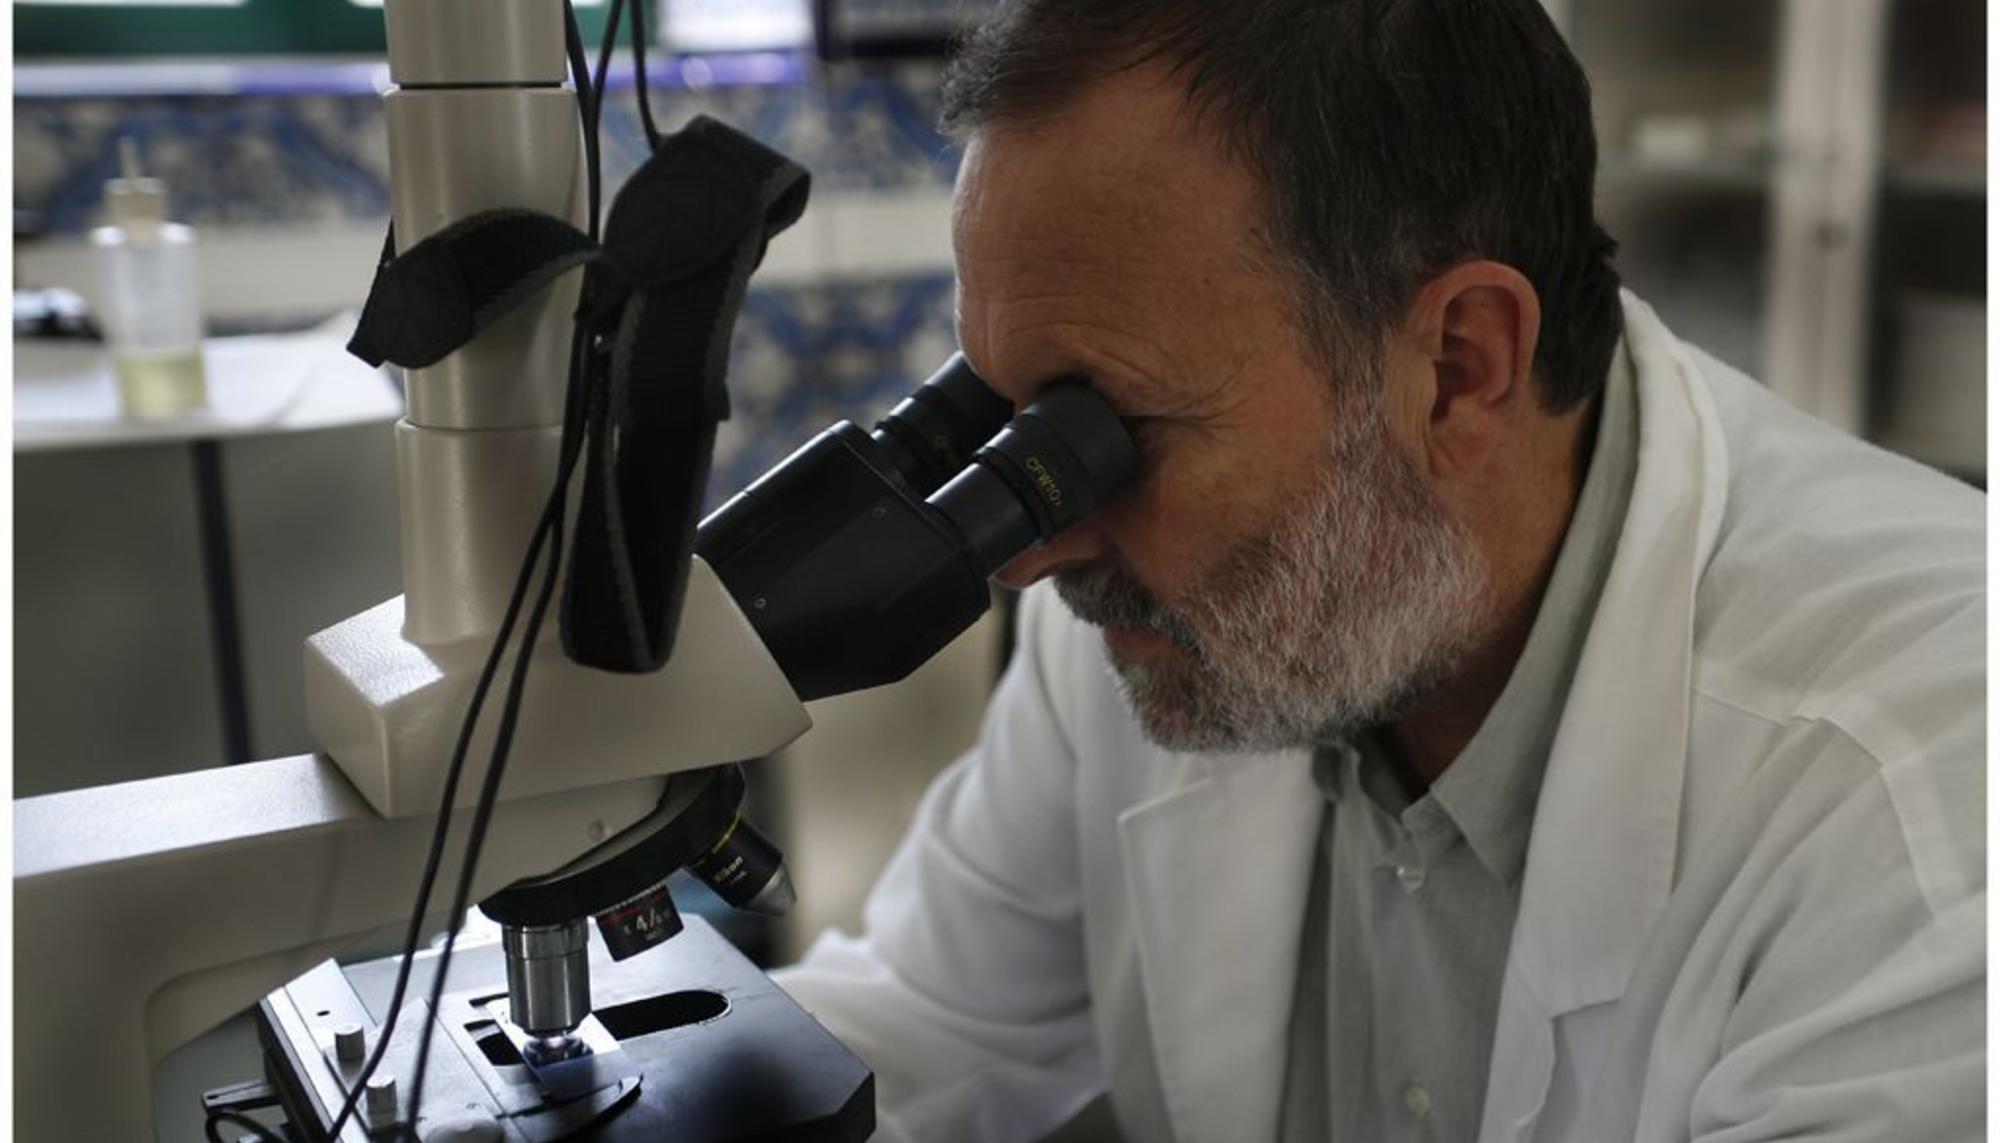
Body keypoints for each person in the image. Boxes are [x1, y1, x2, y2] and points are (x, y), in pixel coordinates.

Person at [772, 1, 1986, 1140]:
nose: (1034, 553)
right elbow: (919, 1032)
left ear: (1456, 366)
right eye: (1006, 414)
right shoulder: (1153, 608)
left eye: (1104, 433)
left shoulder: (1926, 794)